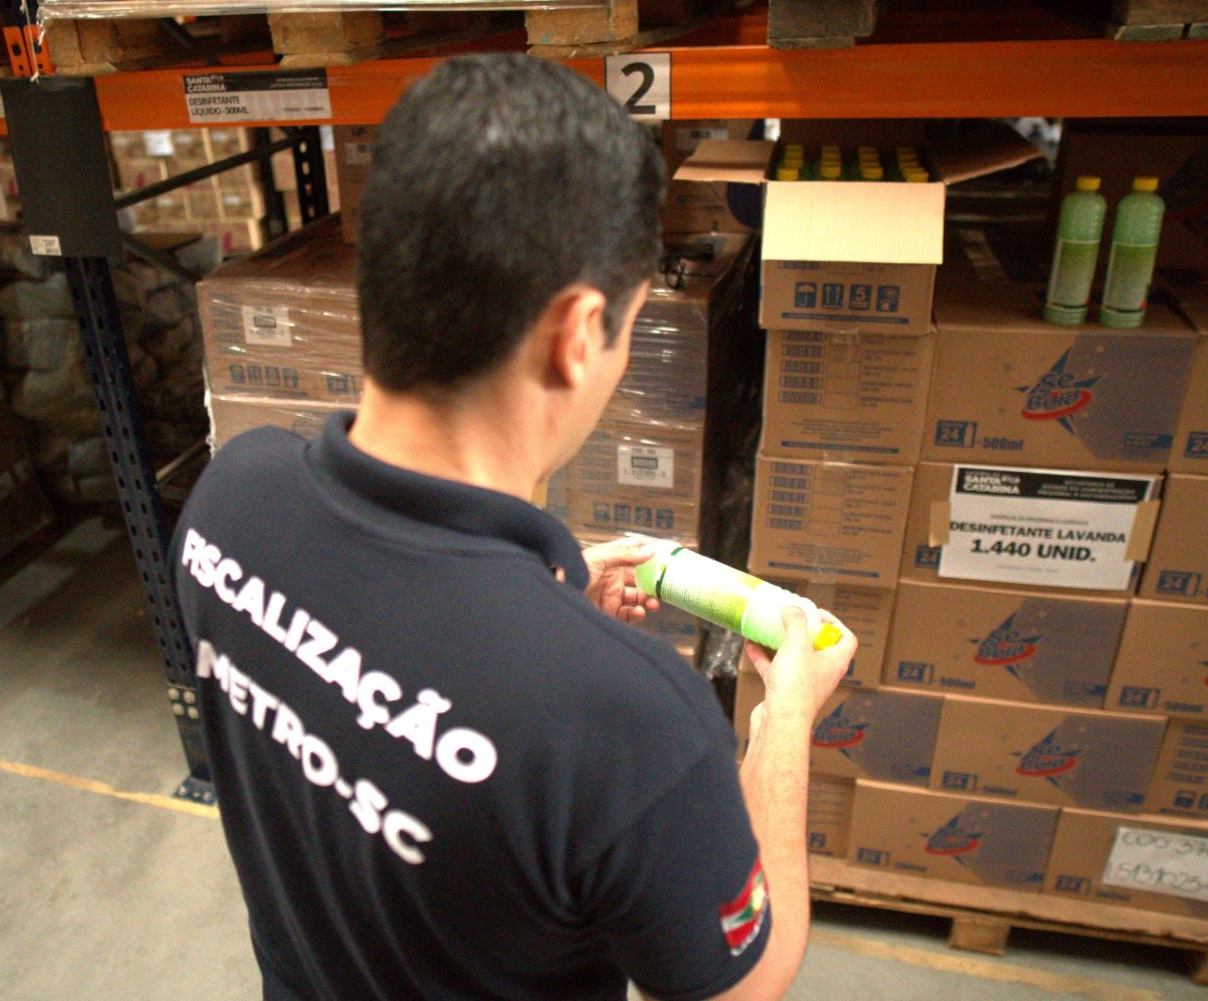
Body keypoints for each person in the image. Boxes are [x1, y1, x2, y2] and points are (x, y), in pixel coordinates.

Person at [172, 52, 857, 1001]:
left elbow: (371, 663)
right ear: (577, 336)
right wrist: (785, 724)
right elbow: (743, 978)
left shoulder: (231, 501)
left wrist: (542, 612)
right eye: (629, 325)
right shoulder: (629, 718)